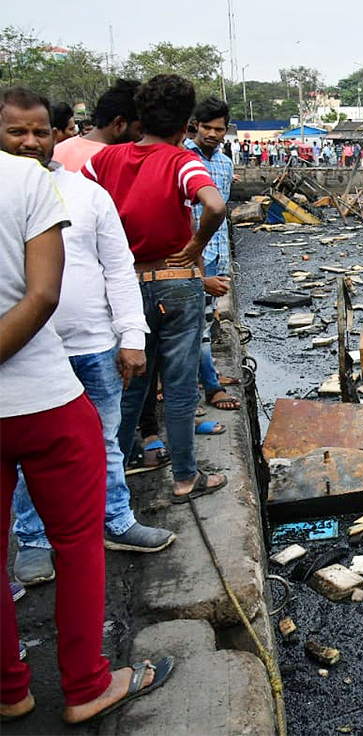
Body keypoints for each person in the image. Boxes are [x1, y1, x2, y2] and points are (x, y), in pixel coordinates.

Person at [0, 113, 174, 724]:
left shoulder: (84, 192)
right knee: (76, 542)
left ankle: (11, 688)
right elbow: (42, 294)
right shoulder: (28, 188)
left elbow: (118, 269)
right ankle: (82, 684)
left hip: (91, 347)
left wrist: (131, 334)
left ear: (57, 134)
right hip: (40, 385)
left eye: (39, 130)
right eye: (15, 129)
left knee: (106, 448)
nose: (29, 141)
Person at [82, 74, 228, 503]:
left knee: (130, 384)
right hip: (174, 281)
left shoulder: (104, 161)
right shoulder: (182, 161)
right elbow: (215, 205)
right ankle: (185, 477)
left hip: (124, 283)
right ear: (186, 124)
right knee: (180, 385)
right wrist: (195, 246)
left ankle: (119, 473)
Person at [184, 97, 240, 415]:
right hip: (189, 255)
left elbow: (221, 215)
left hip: (216, 253)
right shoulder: (181, 159)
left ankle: (205, 380)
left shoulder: (225, 163)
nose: (213, 134)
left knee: (203, 323)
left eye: (219, 129)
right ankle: (209, 386)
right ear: (195, 125)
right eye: (207, 127)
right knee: (192, 327)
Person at [53, 80, 140, 172]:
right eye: (140, 131)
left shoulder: (57, 150)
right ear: (119, 124)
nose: (142, 138)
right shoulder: (116, 162)